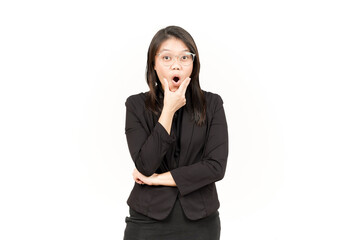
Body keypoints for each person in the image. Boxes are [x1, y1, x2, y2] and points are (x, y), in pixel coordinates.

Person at [123, 25, 228, 240]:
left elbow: (215, 168)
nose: (176, 66)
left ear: (193, 63)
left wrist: (156, 180)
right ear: (153, 63)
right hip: (147, 219)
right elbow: (145, 165)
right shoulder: (135, 105)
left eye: (184, 58)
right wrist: (169, 110)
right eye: (167, 58)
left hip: (201, 220)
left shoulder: (213, 104)